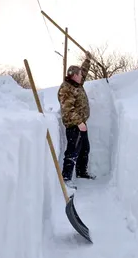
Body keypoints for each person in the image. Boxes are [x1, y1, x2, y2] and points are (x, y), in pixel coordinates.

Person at [57, 51, 96, 191]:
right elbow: (67, 110)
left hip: (81, 124)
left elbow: (84, 72)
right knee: (72, 151)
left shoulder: (77, 84)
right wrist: (79, 123)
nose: (82, 76)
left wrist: (87, 60)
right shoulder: (67, 89)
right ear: (74, 76)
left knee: (85, 149)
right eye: (79, 75)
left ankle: (81, 172)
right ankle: (66, 178)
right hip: (74, 126)